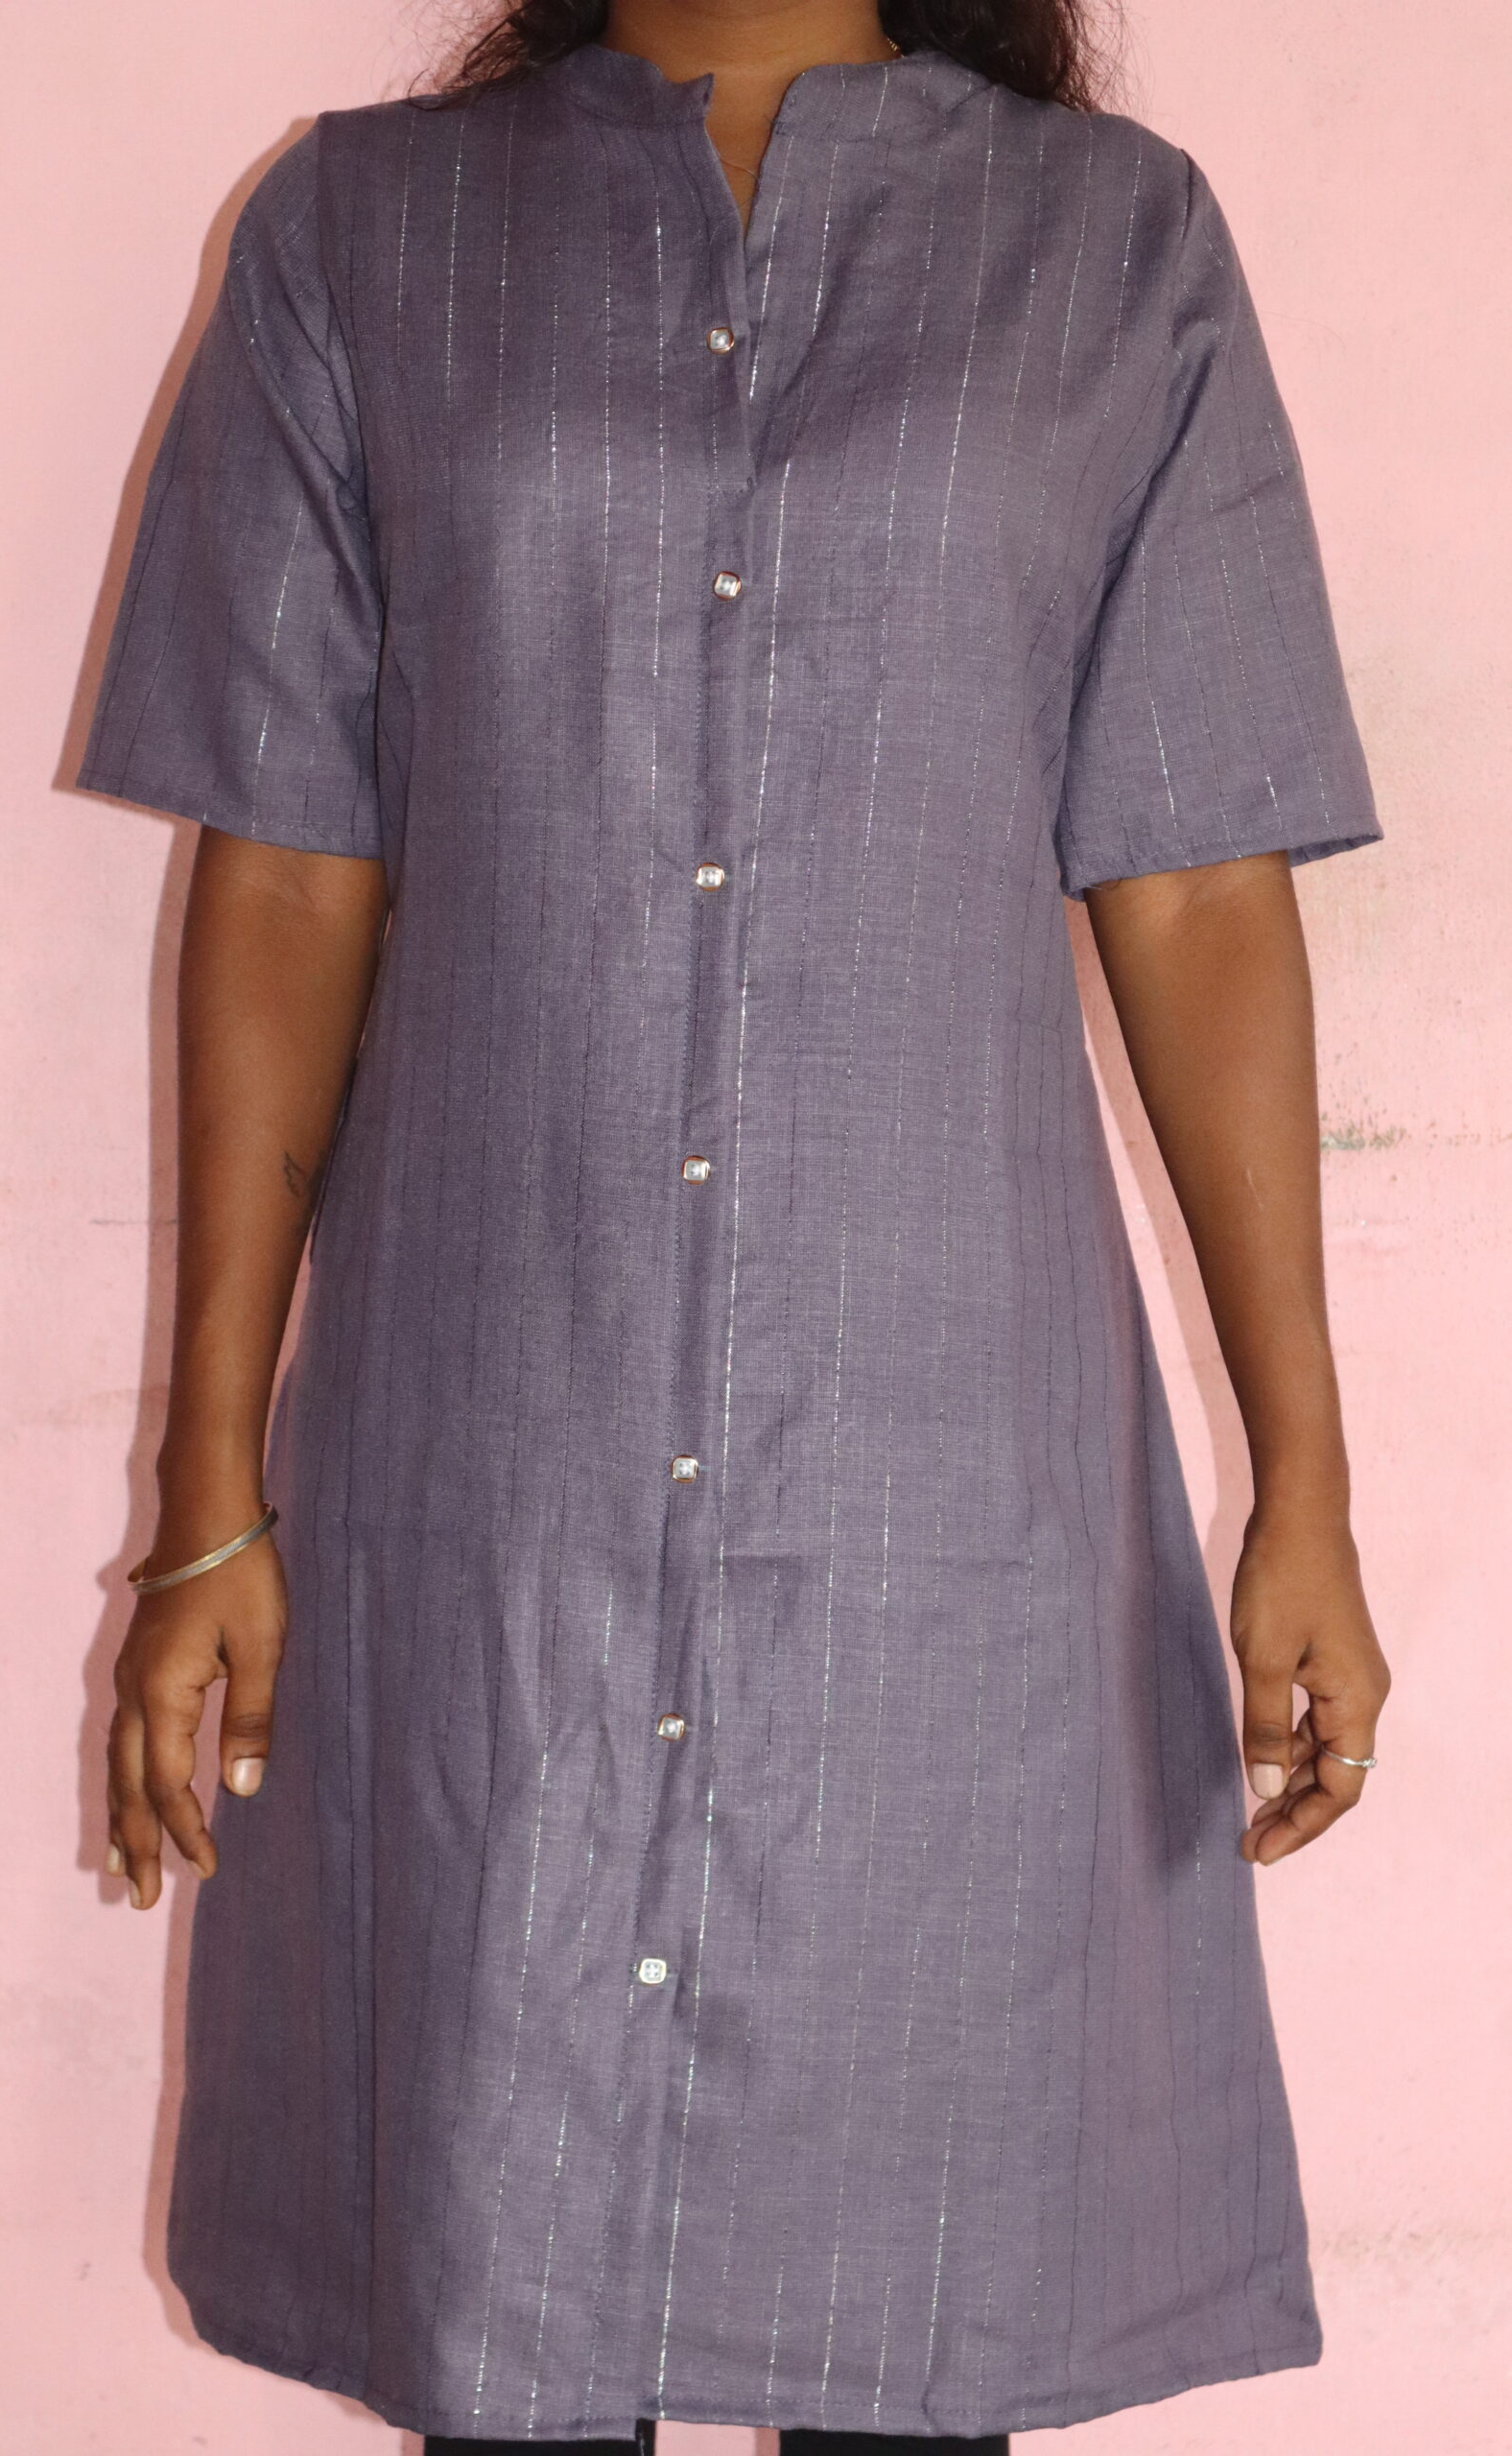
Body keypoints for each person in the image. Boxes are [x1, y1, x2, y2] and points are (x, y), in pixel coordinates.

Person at [77, 0, 1391, 2445]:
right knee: (498, 2321)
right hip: (493, 1484)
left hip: (940, 1510)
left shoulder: (1107, 248)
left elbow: (1201, 886)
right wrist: (204, 1499)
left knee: (916, 2343)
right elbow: (283, 874)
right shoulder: (363, 235)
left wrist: (1300, 1477)